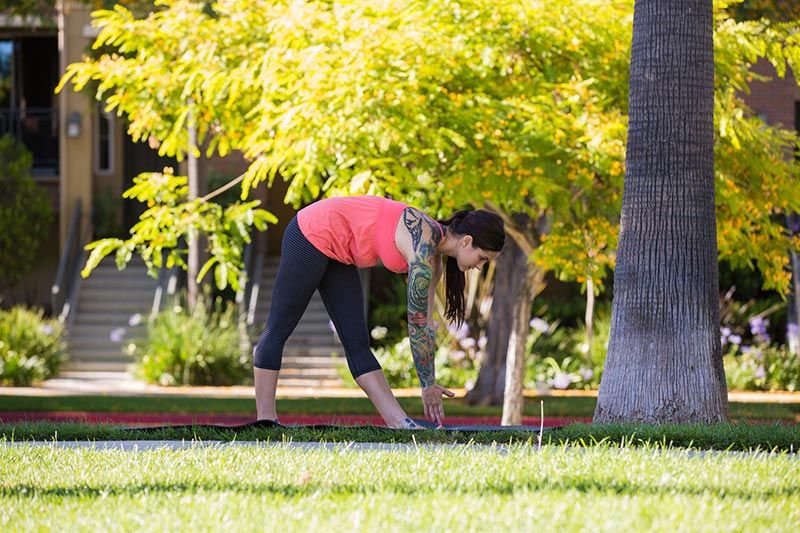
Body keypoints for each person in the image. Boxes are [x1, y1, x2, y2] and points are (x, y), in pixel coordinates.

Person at [252, 195, 505, 428]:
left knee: (357, 341)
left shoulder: (433, 262)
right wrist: (426, 386)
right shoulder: (423, 246)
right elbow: (416, 323)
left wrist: (429, 382)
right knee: (279, 329)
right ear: (467, 241)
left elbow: (425, 324)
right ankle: (266, 421)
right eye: (482, 258)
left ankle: (398, 422)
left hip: (340, 252)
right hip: (312, 231)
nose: (480, 267)